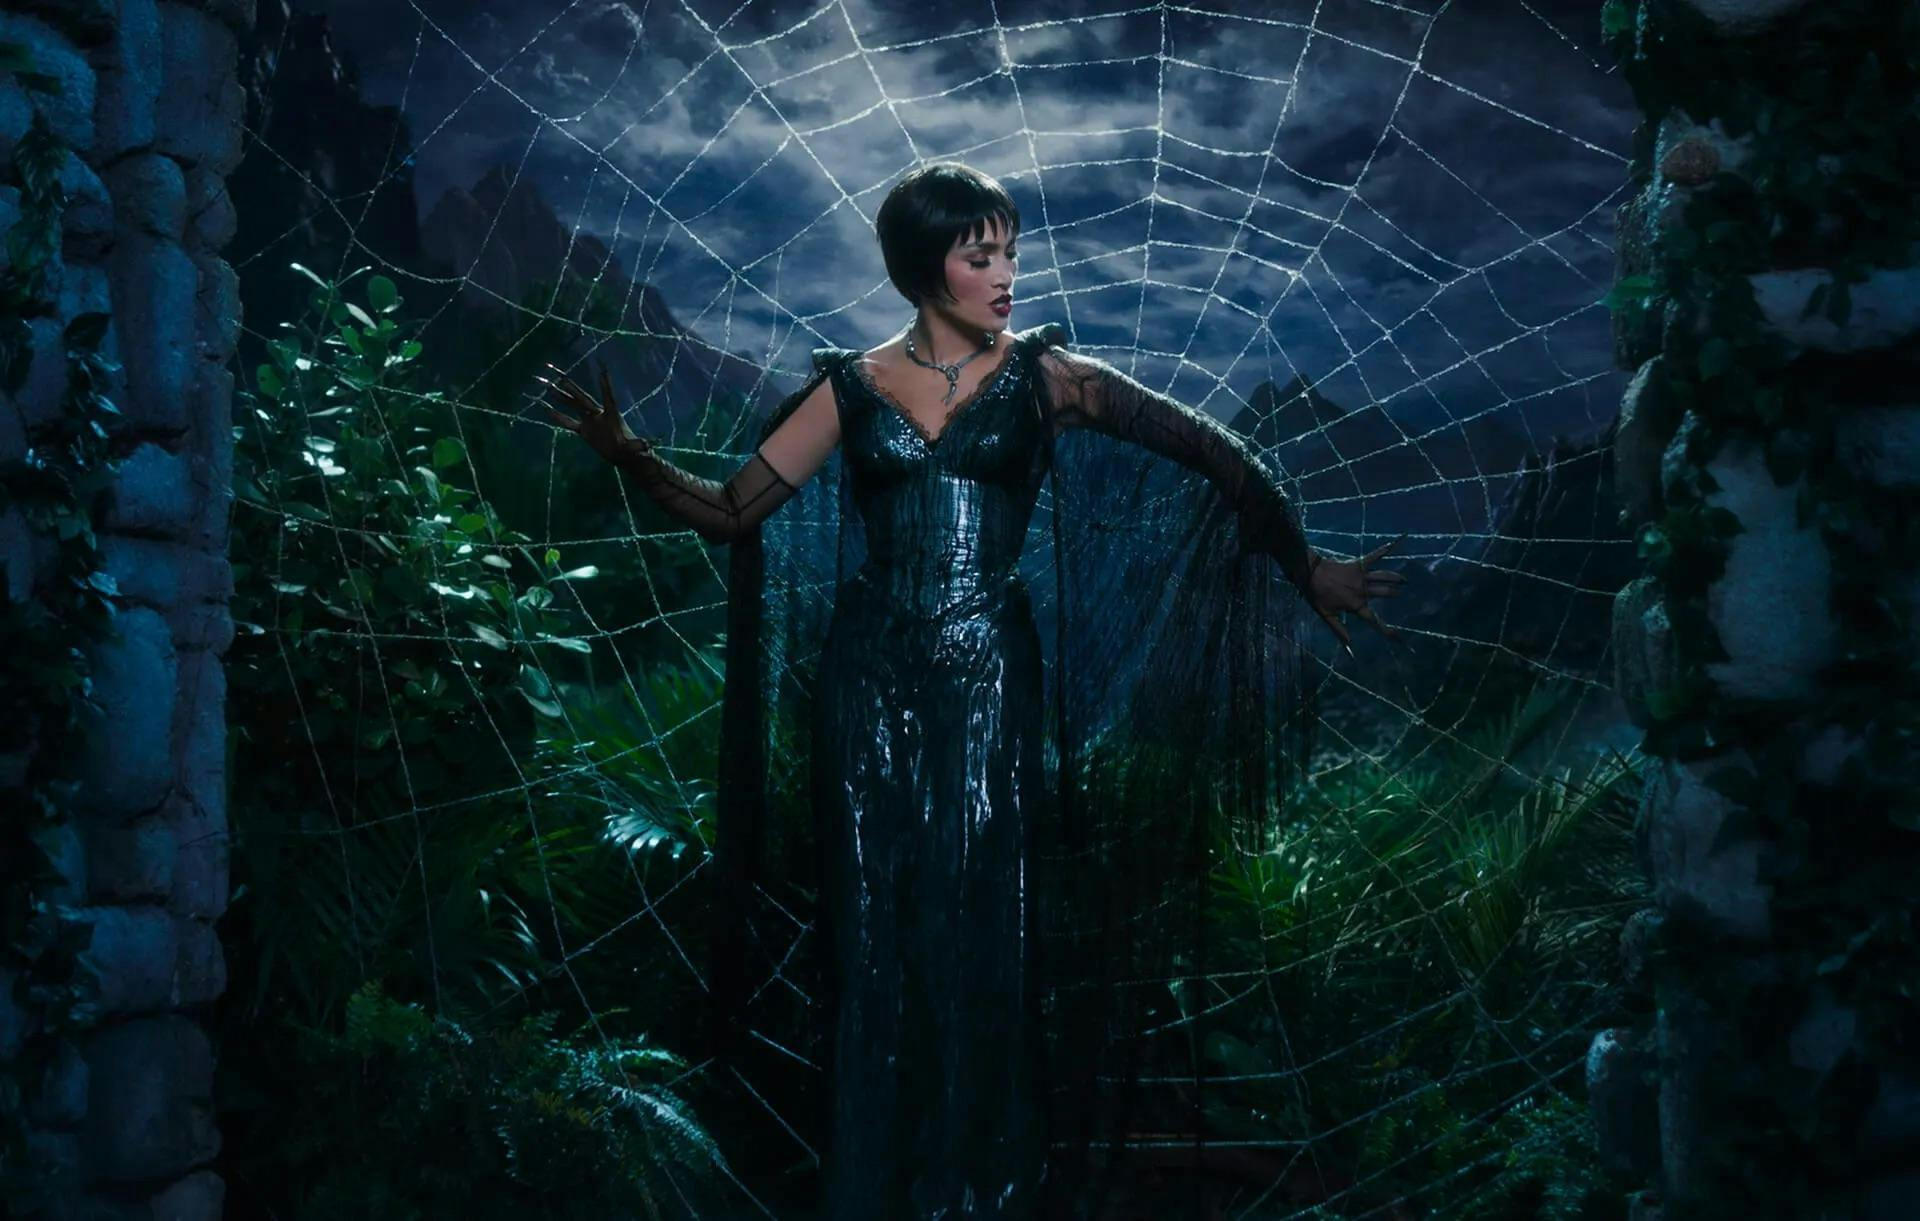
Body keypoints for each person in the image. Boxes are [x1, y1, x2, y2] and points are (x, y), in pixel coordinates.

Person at [543, 162, 1407, 1220]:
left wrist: (1304, 566)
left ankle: (981, 1194)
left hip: (990, 676)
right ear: (924, 269)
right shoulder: (849, 388)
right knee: (871, 931)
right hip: (866, 679)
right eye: (979, 255)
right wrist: (629, 456)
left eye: (1010, 253)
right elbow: (732, 513)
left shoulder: (1052, 380)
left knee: (982, 925)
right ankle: (872, 1190)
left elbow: (1214, 453)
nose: (1006, 276)